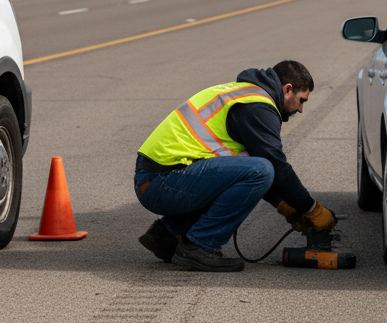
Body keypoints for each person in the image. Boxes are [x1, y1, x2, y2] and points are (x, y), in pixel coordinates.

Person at [134, 59, 337, 272]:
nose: (301, 109)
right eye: (301, 100)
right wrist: (311, 209)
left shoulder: (245, 94)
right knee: (263, 169)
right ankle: (199, 246)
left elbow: (240, 172)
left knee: (255, 170)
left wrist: (284, 205)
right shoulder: (258, 106)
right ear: (287, 90)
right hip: (162, 183)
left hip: (157, 180)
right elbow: (274, 167)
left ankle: (166, 236)